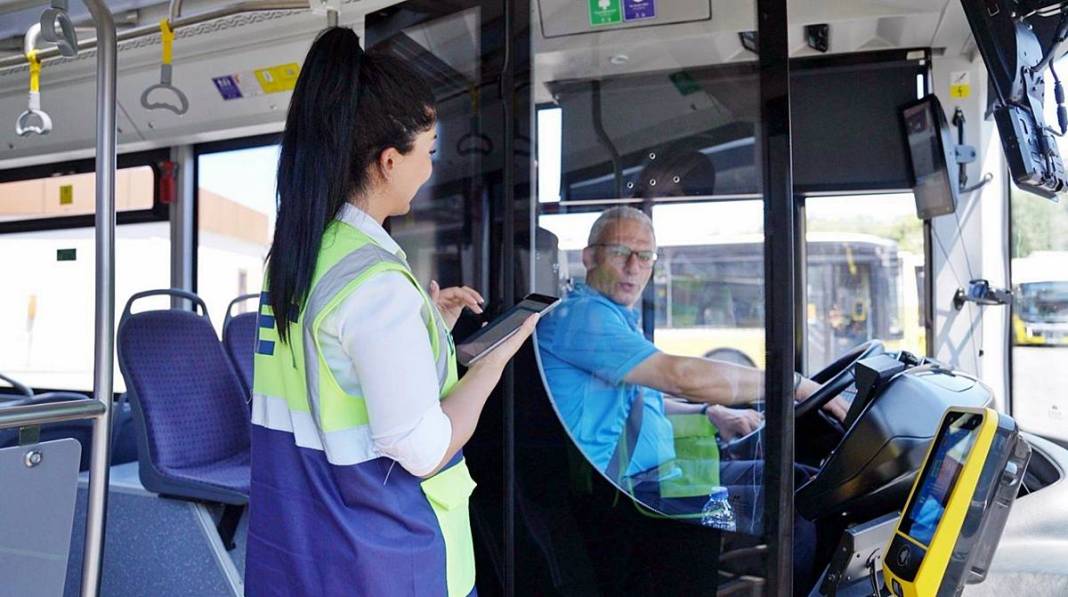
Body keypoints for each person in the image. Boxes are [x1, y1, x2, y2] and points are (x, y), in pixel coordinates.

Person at [245, 28, 537, 596]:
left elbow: (329, 376)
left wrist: (429, 330)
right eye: (428, 151)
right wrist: (491, 366)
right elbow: (422, 450)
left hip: (303, 547)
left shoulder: (297, 258)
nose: (430, 167)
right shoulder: (377, 284)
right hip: (384, 557)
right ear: (387, 161)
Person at [536, 206, 848, 589]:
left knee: (802, 481)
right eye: (620, 252)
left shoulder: (610, 315)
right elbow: (679, 377)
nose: (634, 267)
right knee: (794, 508)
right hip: (634, 498)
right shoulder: (583, 317)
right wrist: (794, 384)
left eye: (645, 256)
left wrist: (710, 413)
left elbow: (634, 400)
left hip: (658, 480)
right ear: (589, 257)